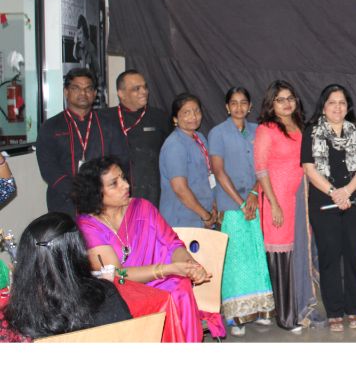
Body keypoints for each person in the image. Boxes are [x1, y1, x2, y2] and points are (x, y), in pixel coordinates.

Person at [74, 156, 210, 342]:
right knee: (163, 298)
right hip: (122, 293)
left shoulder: (142, 208)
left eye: (123, 178)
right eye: (114, 183)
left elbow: (172, 245)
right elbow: (117, 276)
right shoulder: (89, 226)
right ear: (96, 193)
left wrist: (190, 265)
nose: (126, 185)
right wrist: (167, 269)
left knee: (180, 287)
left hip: (157, 281)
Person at [301, 84, 356, 332]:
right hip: (323, 203)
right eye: (332, 102)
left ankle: (354, 308)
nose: (337, 107)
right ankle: (333, 311)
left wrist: (347, 191)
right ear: (323, 106)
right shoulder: (311, 131)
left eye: (342, 102)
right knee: (329, 258)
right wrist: (334, 192)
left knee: (355, 257)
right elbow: (309, 168)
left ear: (348, 106)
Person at [1, 211, 131, 342]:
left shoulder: (14, 319)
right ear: (78, 252)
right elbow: (129, 336)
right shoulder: (105, 296)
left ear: (25, 259)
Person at [208, 87, 273, 337]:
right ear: (227, 107)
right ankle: (236, 317)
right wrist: (241, 202)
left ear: (250, 106)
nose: (238, 107)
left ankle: (260, 310)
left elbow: (265, 166)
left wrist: (255, 193)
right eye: (233, 103)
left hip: (256, 201)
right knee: (235, 260)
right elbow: (218, 171)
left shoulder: (258, 131)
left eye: (243, 102)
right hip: (231, 205)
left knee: (256, 255)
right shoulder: (217, 133)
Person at [254, 80, 314, 333]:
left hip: (300, 200)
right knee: (282, 259)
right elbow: (260, 170)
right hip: (276, 201)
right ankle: (287, 317)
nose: (287, 103)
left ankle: (300, 308)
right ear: (271, 103)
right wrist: (274, 204)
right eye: (280, 99)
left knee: (298, 254)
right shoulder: (266, 129)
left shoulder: (300, 126)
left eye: (290, 98)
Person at [36, 68, 128, 214]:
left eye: (88, 89)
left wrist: (101, 191)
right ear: (66, 92)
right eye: (76, 88)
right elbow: (48, 168)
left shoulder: (109, 124)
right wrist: (77, 192)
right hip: (64, 201)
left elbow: (120, 160)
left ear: (94, 93)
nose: (83, 93)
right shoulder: (51, 126)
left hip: (103, 200)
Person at [102, 69, 171, 207]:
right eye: (136, 89)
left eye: (145, 87)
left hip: (152, 195)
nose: (144, 92)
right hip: (115, 196)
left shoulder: (160, 117)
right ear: (121, 93)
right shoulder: (104, 118)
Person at [159, 93, 218, 228]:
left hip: (203, 216)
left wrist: (213, 205)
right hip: (182, 219)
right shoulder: (175, 145)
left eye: (197, 111)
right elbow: (180, 189)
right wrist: (205, 215)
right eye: (186, 113)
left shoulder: (200, 138)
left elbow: (208, 174)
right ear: (175, 118)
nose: (194, 117)